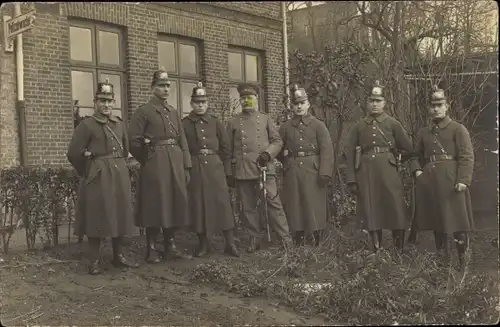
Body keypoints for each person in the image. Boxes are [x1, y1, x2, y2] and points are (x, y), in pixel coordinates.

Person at [67, 79, 138, 275]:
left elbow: (125, 150)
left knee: (119, 213)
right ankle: (94, 260)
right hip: (98, 176)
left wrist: (119, 167)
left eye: (109, 101)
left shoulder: (119, 124)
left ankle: (118, 255)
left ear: (114, 102)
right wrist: (89, 169)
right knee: (97, 215)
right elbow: (73, 153)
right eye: (102, 100)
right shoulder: (86, 125)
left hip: (119, 172)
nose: (106, 105)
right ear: (95, 102)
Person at [345, 80, 419, 255]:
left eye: (378, 101)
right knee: (371, 210)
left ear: (384, 103)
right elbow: (349, 154)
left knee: (394, 206)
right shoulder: (359, 126)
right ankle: (376, 250)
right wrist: (352, 179)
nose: (375, 104)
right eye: (371, 100)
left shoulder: (393, 124)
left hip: (388, 170)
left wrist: (396, 157)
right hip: (367, 173)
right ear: (367, 103)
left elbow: (409, 148)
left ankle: (397, 249)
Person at [128, 69, 192, 263]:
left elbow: (182, 140)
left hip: (175, 160)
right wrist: (147, 158)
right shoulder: (143, 111)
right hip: (155, 163)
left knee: (174, 202)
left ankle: (170, 245)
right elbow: (134, 141)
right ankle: (152, 248)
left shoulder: (172, 112)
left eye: (167, 86)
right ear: (152, 88)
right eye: (161, 86)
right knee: (155, 204)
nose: (165, 89)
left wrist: (186, 165)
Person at [412, 85, 475, 269]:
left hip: (452, 182)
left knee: (457, 223)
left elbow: (467, 155)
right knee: (437, 222)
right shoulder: (424, 132)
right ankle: (443, 261)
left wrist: (463, 180)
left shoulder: (458, 129)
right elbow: (415, 155)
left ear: (447, 106)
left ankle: (463, 261)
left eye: (439, 104)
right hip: (431, 182)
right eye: (432, 105)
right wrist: (417, 171)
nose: (436, 108)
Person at [225, 83, 293, 253]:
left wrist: (267, 154)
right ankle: (254, 238)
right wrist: (230, 172)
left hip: (264, 169)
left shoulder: (264, 119)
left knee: (273, 203)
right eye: (243, 98)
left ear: (256, 99)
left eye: (250, 98)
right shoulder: (233, 122)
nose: (246, 101)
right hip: (243, 170)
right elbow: (227, 149)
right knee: (247, 208)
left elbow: (277, 141)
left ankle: (285, 239)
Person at [182, 82, 240, 257]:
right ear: (191, 104)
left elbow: (226, 149)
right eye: (197, 102)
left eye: (203, 102)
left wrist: (227, 171)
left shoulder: (215, 123)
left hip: (215, 168)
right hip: (196, 168)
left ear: (207, 103)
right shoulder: (185, 124)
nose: (200, 105)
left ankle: (230, 243)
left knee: (222, 204)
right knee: (199, 205)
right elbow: (182, 147)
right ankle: (203, 244)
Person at [278, 85, 334, 246]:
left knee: (314, 202)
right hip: (293, 169)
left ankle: (317, 236)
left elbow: (327, 150)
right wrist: (287, 161)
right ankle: (299, 236)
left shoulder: (318, 125)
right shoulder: (286, 127)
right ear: (292, 106)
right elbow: (278, 147)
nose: (299, 107)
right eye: (296, 104)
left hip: (313, 169)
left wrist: (324, 172)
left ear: (308, 104)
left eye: (302, 103)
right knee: (295, 203)